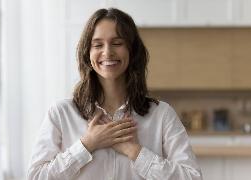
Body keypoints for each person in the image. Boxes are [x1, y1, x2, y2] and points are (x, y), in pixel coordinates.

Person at [27, 8, 202, 180]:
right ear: (87, 54)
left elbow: (192, 177)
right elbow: (36, 176)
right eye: (97, 44)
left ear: (132, 51)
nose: (107, 52)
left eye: (117, 43)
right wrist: (87, 144)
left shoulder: (162, 114)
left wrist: (135, 151)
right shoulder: (60, 113)